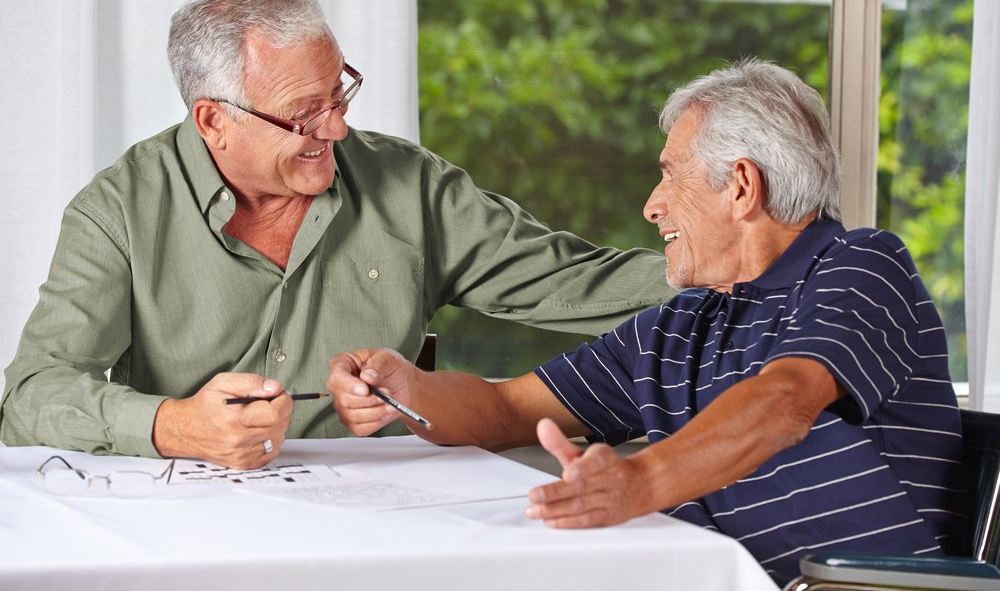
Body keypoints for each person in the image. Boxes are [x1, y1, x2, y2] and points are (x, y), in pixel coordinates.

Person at [326, 59, 967, 586]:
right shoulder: (684, 324)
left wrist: (638, 481)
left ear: (741, 186)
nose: (651, 205)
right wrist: (409, 392)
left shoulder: (861, 265)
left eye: (669, 175)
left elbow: (784, 400)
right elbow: (506, 410)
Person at [0, 0, 672, 470]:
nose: (338, 126)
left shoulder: (409, 186)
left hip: (388, 527)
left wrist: (741, 270)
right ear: (214, 121)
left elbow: (576, 281)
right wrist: (173, 424)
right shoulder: (118, 209)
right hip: (183, 531)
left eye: (339, 92)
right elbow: (32, 396)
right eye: (303, 114)